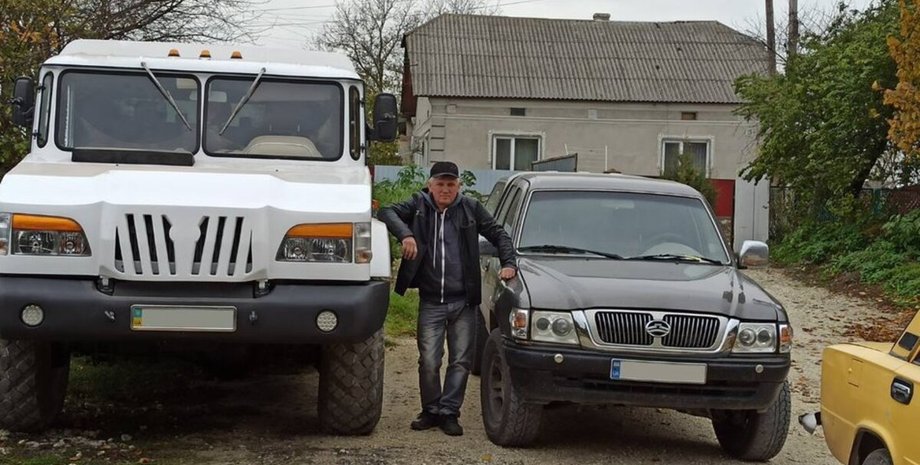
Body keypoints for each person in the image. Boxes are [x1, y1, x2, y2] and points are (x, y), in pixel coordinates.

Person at [378, 161, 516, 436]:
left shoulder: (470, 208)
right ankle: (430, 410)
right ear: (430, 185)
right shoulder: (418, 205)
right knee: (429, 360)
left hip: (463, 301)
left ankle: (450, 412)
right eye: (440, 184)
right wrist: (406, 235)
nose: (445, 189)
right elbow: (386, 211)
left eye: (451, 184)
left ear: (458, 187)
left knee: (461, 361)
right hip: (431, 301)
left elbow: (499, 234)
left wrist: (508, 262)